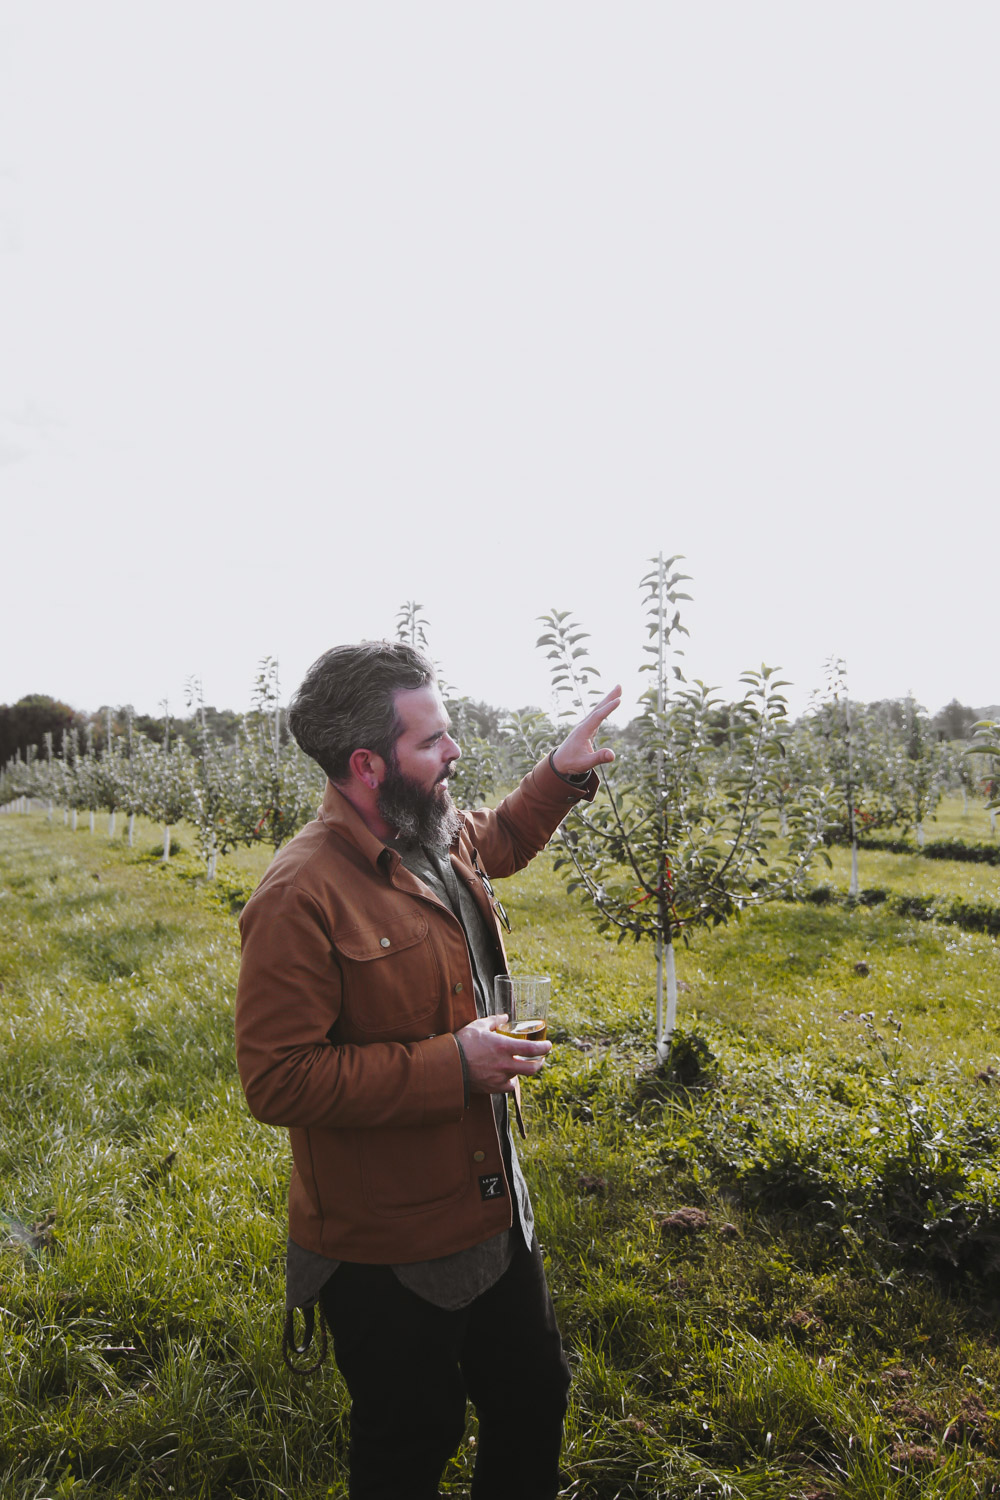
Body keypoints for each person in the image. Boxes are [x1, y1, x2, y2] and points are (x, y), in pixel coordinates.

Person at [235, 640, 621, 1500]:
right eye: (432, 739)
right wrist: (454, 1065)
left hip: (492, 1205)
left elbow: (503, 835)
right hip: (389, 1245)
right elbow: (278, 1079)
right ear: (367, 764)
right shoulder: (299, 895)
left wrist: (560, 772)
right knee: (412, 1439)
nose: (454, 752)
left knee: (534, 1396)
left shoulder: (431, 834)